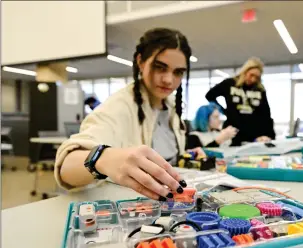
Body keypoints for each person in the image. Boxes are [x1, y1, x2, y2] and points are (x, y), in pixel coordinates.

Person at [54, 28, 204, 201]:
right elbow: (66, 167)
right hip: (130, 211)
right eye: (159, 67)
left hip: (167, 205)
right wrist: (103, 158)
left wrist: (187, 155)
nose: (169, 80)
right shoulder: (119, 106)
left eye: (178, 72)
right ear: (140, 61)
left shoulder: (170, 106)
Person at [205, 57, 275, 146]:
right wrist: (224, 111)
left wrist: (269, 135)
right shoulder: (230, 83)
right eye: (251, 75)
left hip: (253, 134)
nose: (253, 79)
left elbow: (266, 114)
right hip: (233, 132)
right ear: (245, 72)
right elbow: (209, 95)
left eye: (257, 77)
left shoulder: (260, 90)